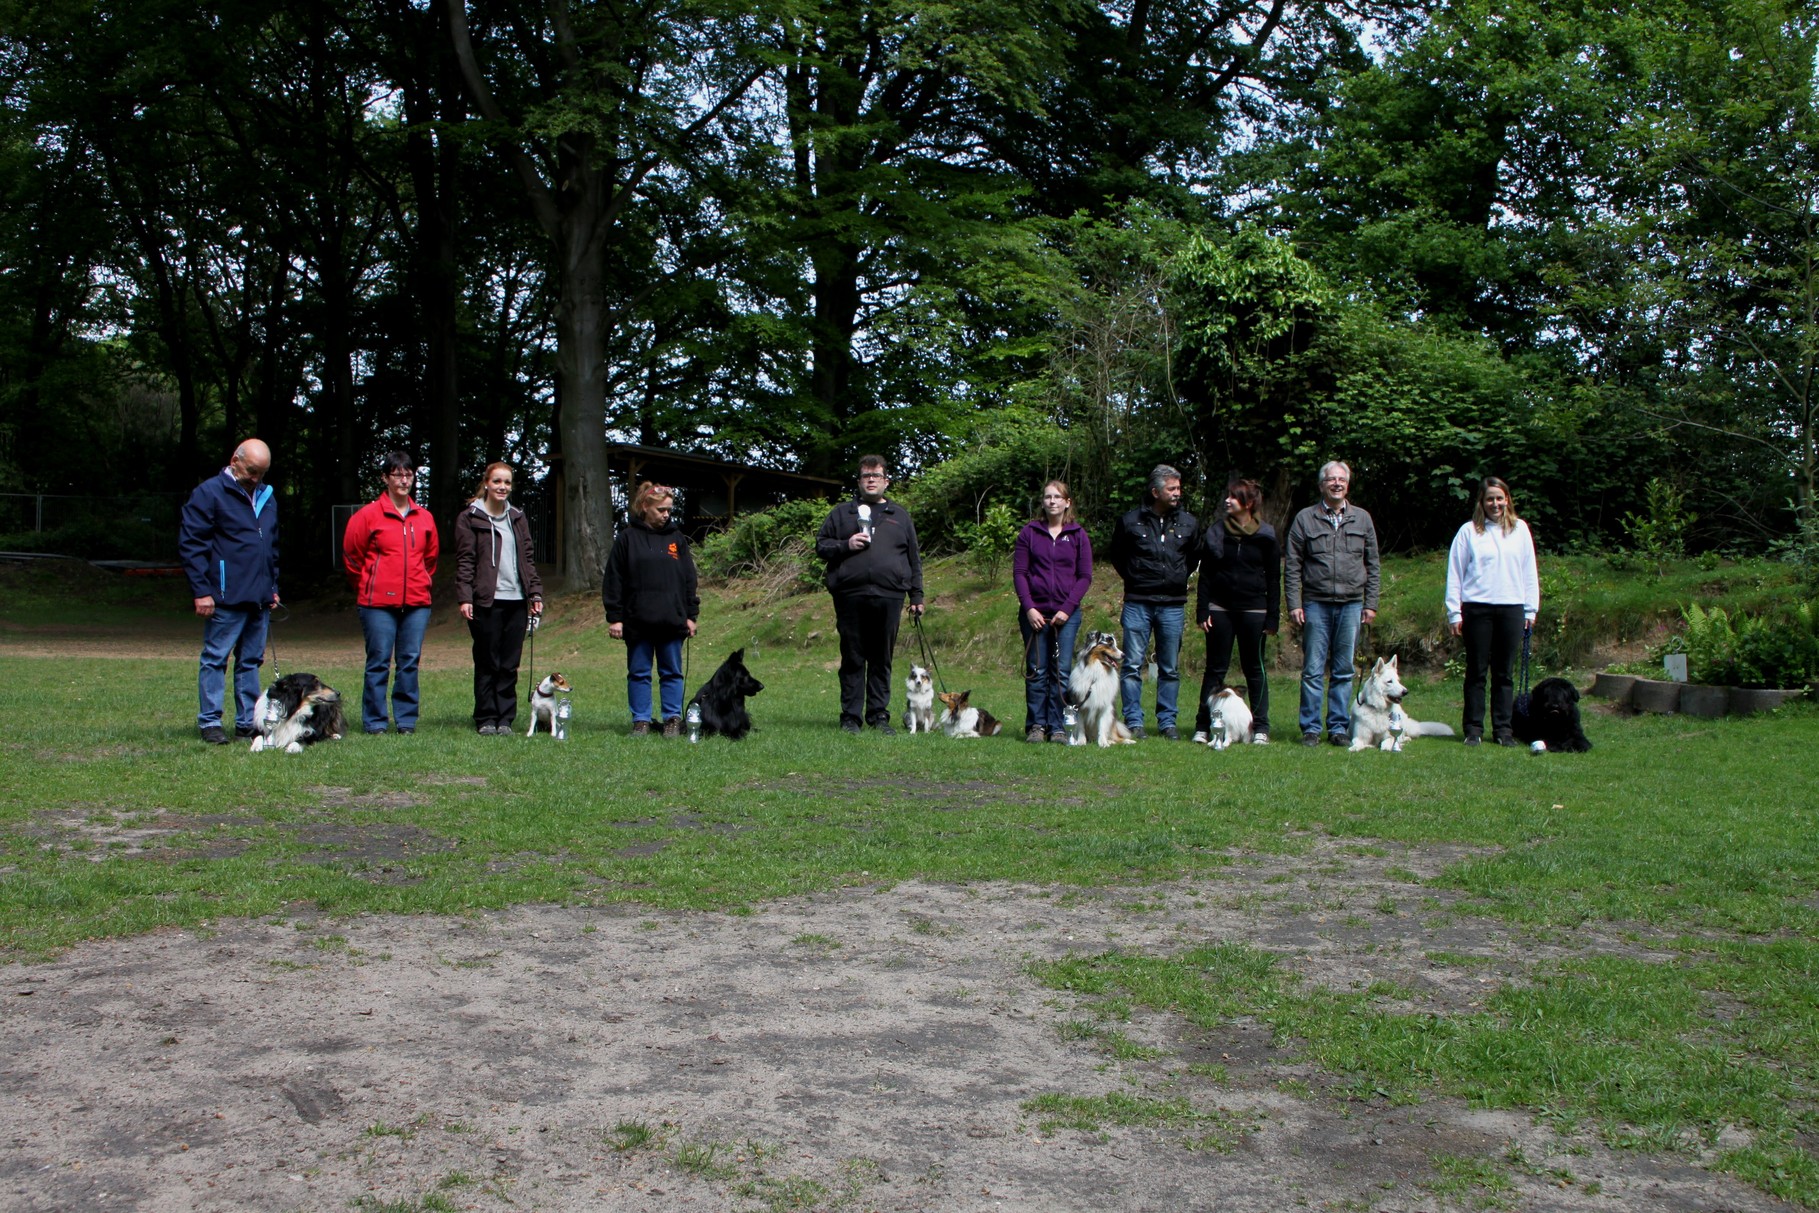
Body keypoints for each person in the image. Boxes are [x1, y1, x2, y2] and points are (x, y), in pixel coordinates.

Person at [179, 438, 280, 745]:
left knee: (251, 661)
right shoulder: (209, 493)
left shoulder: (267, 497)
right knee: (215, 658)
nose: (255, 479)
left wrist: (272, 587)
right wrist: (202, 591)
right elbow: (192, 544)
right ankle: (210, 722)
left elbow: (271, 547)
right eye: (251, 471)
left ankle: (247, 723)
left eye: (261, 473)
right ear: (234, 461)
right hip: (223, 596)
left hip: (259, 597)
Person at [816, 455, 925, 734]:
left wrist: (917, 596)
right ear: (859, 481)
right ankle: (850, 717)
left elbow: (913, 558)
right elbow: (821, 546)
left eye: (876, 475)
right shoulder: (842, 513)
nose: (871, 480)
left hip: (890, 595)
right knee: (852, 656)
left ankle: (878, 716)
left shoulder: (899, 515)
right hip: (849, 594)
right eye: (866, 476)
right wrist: (846, 544)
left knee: (881, 658)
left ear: (886, 480)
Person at [342, 451, 439, 735]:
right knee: (379, 661)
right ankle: (375, 721)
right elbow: (352, 557)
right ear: (385, 478)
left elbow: (430, 560)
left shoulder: (424, 517)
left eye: (408, 474)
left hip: (417, 602)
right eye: (397, 474)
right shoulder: (367, 516)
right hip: (376, 603)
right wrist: (370, 584)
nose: (403, 480)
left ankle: (406, 720)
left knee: (409, 661)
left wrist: (419, 582)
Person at [1284, 460, 1380, 747]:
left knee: (1344, 670)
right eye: (1331, 479)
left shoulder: (1362, 519)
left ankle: (1338, 727)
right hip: (1316, 603)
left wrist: (1370, 603)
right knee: (1313, 670)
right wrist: (1294, 603)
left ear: (1347, 485)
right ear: (1321, 485)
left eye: (1342, 479)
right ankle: (1310, 729)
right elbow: (1292, 565)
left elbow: (1373, 564)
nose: (1337, 483)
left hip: (1352, 604)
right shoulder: (1305, 518)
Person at [1444, 476, 1539, 747]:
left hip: (1512, 608)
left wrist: (1530, 610)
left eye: (1499, 498)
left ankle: (1503, 729)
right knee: (1476, 672)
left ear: (1507, 499)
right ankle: (1473, 729)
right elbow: (1455, 573)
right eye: (1490, 499)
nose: (1495, 503)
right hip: (1477, 609)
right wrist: (1454, 612)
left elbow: (1529, 571)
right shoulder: (1468, 532)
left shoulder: (1520, 530)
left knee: (1504, 673)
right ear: (1481, 502)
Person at [1106, 464, 1199, 739]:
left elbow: (1192, 557)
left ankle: (1167, 721)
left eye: (1179, 488)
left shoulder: (1189, 523)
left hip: (1172, 603)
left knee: (1169, 667)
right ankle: (1134, 720)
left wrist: (1177, 577)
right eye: (1172, 488)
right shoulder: (1129, 521)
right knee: (1132, 664)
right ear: (1155, 490)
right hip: (1138, 602)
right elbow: (1118, 556)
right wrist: (1136, 578)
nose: (1177, 493)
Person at [602, 483, 700, 736]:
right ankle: (641, 721)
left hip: (672, 619)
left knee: (672, 673)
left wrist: (691, 615)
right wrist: (615, 617)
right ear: (645, 507)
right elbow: (614, 579)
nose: (666, 515)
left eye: (669, 510)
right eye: (660, 510)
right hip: (637, 620)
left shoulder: (677, 539)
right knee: (639, 673)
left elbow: (689, 579)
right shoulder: (627, 538)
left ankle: (672, 720)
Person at [455, 462, 544, 734]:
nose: (502, 487)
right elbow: (465, 560)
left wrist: (535, 592)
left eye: (507, 482)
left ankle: (505, 719)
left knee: (509, 663)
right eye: (497, 482)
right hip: (485, 601)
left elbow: (527, 559)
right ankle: (485, 718)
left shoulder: (517, 517)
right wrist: (465, 596)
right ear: (486, 483)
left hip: (516, 600)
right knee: (487, 661)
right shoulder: (470, 517)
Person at [1191, 477, 1279, 745]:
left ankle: (1261, 728)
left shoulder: (1266, 535)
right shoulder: (1216, 532)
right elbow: (1205, 574)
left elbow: (1274, 578)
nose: (1227, 500)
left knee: (1255, 669)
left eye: (1234, 496)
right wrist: (1202, 609)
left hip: (1254, 610)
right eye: (1227, 495)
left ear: (1249, 503)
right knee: (1214, 669)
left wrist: (1273, 616)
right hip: (1220, 609)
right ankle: (1204, 726)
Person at [1012, 480, 1093, 743]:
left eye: (1058, 497)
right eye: (1047, 497)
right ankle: (1036, 725)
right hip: (1035, 615)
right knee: (1037, 670)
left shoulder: (1078, 535)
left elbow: (1084, 577)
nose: (1052, 501)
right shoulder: (1029, 533)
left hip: (1065, 617)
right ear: (1042, 502)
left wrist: (1067, 609)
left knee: (1062, 671)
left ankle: (1058, 725)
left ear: (1067, 502)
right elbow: (1020, 573)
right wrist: (1029, 608)